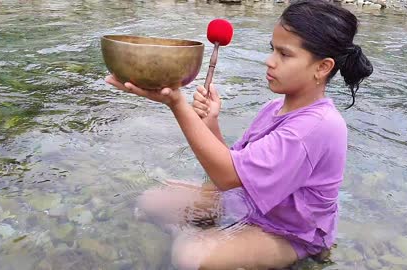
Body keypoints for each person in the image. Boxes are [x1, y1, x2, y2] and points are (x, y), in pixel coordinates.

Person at [105, 0, 373, 269]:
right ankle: (211, 235)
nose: (270, 61)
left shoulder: (317, 127)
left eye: (285, 54)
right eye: (272, 50)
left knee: (191, 256)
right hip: (248, 204)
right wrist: (210, 121)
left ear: (322, 67)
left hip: (290, 232)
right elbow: (235, 168)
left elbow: (226, 175)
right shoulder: (275, 108)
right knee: (151, 200)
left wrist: (177, 103)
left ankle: (210, 239)